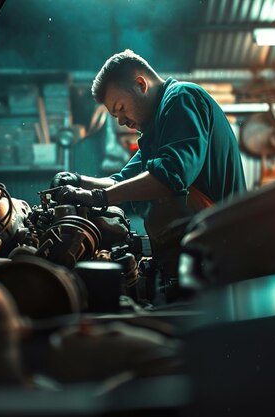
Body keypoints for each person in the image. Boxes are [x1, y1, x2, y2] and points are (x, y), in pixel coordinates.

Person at [51, 49, 246, 279]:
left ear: (141, 84)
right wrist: (77, 182)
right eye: (115, 116)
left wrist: (98, 198)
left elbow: (172, 174)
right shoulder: (156, 132)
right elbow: (120, 181)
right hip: (198, 254)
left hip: (221, 256)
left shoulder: (182, 97)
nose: (122, 121)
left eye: (121, 108)